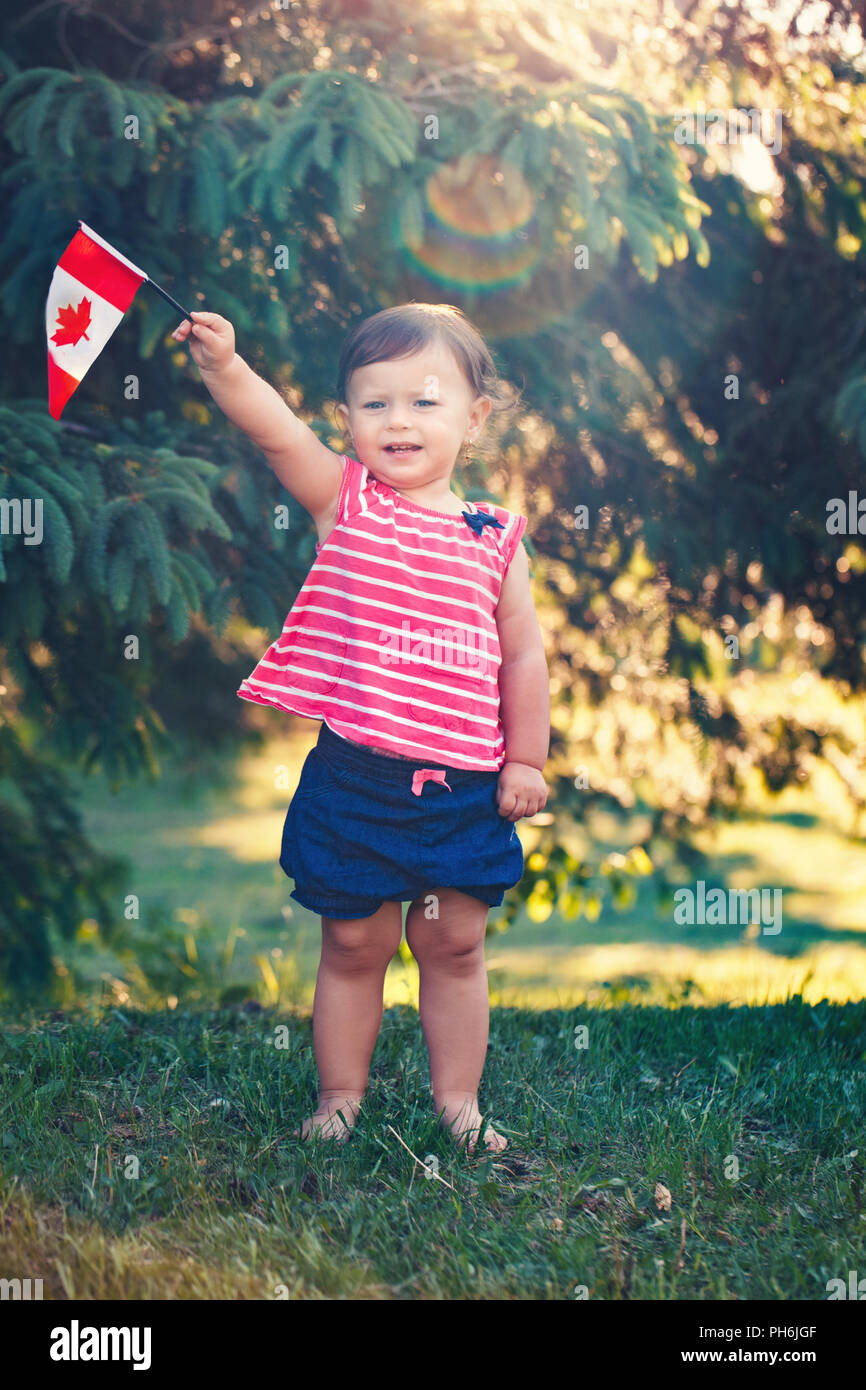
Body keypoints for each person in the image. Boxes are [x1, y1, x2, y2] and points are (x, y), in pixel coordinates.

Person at [171, 302, 549, 1153]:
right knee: (353, 940)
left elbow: (522, 657)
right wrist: (225, 365)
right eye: (374, 404)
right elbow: (276, 435)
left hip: (461, 787)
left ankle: (459, 1101)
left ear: (474, 417)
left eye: (423, 401)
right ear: (346, 421)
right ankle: (340, 1098)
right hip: (358, 779)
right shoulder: (350, 503)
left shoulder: (495, 539)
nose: (399, 421)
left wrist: (525, 757)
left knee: (453, 943)